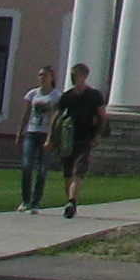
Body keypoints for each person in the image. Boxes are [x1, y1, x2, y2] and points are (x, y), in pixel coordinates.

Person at [50, 64, 107, 218]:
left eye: (76, 74)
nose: (74, 77)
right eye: (73, 74)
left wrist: (99, 134)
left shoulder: (94, 95)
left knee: (78, 171)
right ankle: (69, 201)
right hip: (68, 138)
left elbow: (102, 115)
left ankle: (72, 201)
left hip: (86, 137)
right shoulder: (67, 96)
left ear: (84, 76)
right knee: (68, 172)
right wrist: (52, 137)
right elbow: (57, 116)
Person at [15, 66, 58, 211]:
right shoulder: (33, 94)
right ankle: (25, 199)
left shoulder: (55, 96)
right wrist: (20, 132)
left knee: (42, 169)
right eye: (40, 75)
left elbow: (54, 118)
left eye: (45, 75)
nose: (42, 78)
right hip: (31, 133)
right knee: (27, 166)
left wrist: (51, 138)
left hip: (46, 134)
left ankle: (35, 201)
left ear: (52, 77)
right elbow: (26, 114)